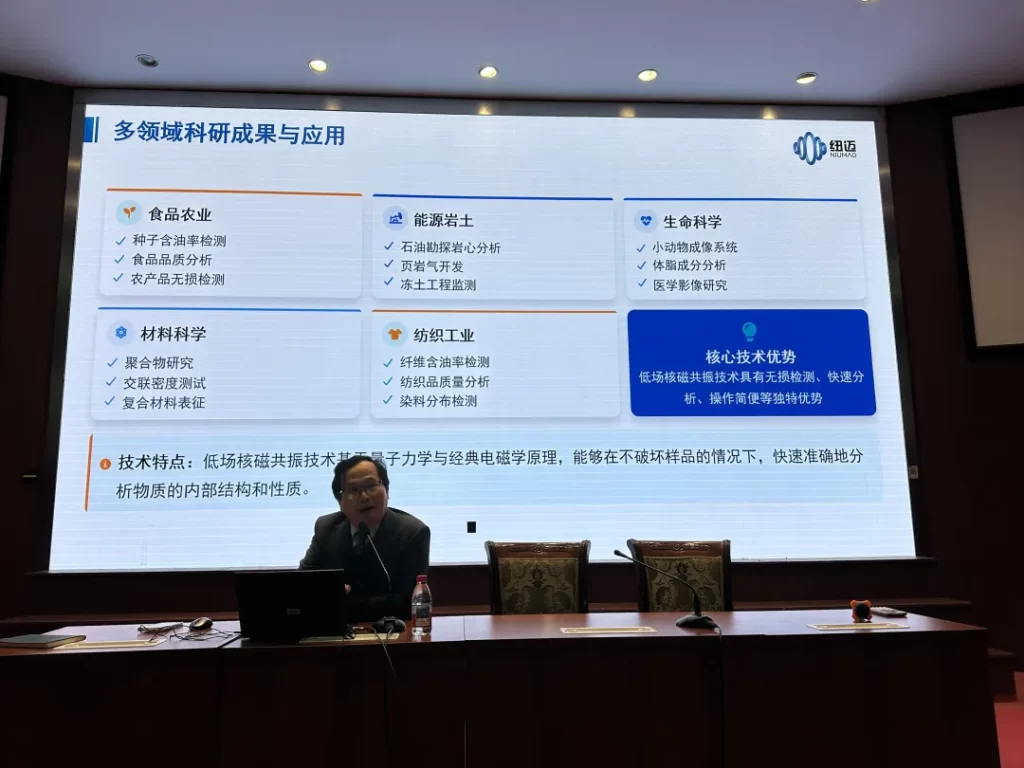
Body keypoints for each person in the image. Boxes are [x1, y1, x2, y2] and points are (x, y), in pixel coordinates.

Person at [298, 455, 430, 622]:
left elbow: (406, 602)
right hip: (334, 630)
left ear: (387, 491)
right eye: (354, 490)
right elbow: (301, 585)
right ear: (340, 501)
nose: (364, 497)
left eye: (371, 486)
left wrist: (338, 599)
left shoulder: (412, 533)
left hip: (390, 632)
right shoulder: (327, 527)